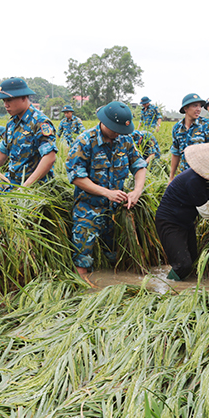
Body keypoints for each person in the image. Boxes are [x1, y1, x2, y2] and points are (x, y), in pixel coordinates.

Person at [66, 101, 147, 286]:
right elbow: (76, 177)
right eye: (115, 129)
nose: (118, 133)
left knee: (113, 255)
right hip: (88, 209)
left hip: (116, 211)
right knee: (82, 256)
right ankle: (84, 293)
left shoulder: (125, 140)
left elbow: (139, 165)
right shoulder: (85, 141)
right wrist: (106, 193)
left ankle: (111, 291)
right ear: (105, 122)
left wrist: (136, 191)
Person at [155, 143, 209, 281]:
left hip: (186, 222)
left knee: (192, 258)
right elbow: (207, 212)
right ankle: (168, 290)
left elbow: (205, 201)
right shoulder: (194, 181)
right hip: (170, 222)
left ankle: (177, 284)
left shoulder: (208, 180)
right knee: (183, 265)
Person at [0, 77, 57, 187]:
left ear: (23, 97)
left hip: (34, 186)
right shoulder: (12, 123)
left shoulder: (40, 122)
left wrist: (24, 189)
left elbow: (49, 157)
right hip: (11, 181)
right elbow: (3, 151)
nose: (5, 105)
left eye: (9, 100)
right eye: (4, 101)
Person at [169, 93, 206, 181]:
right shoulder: (177, 128)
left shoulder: (207, 126)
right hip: (183, 176)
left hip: (202, 176)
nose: (199, 109)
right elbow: (175, 153)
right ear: (185, 108)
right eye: (195, 106)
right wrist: (171, 177)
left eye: (200, 106)